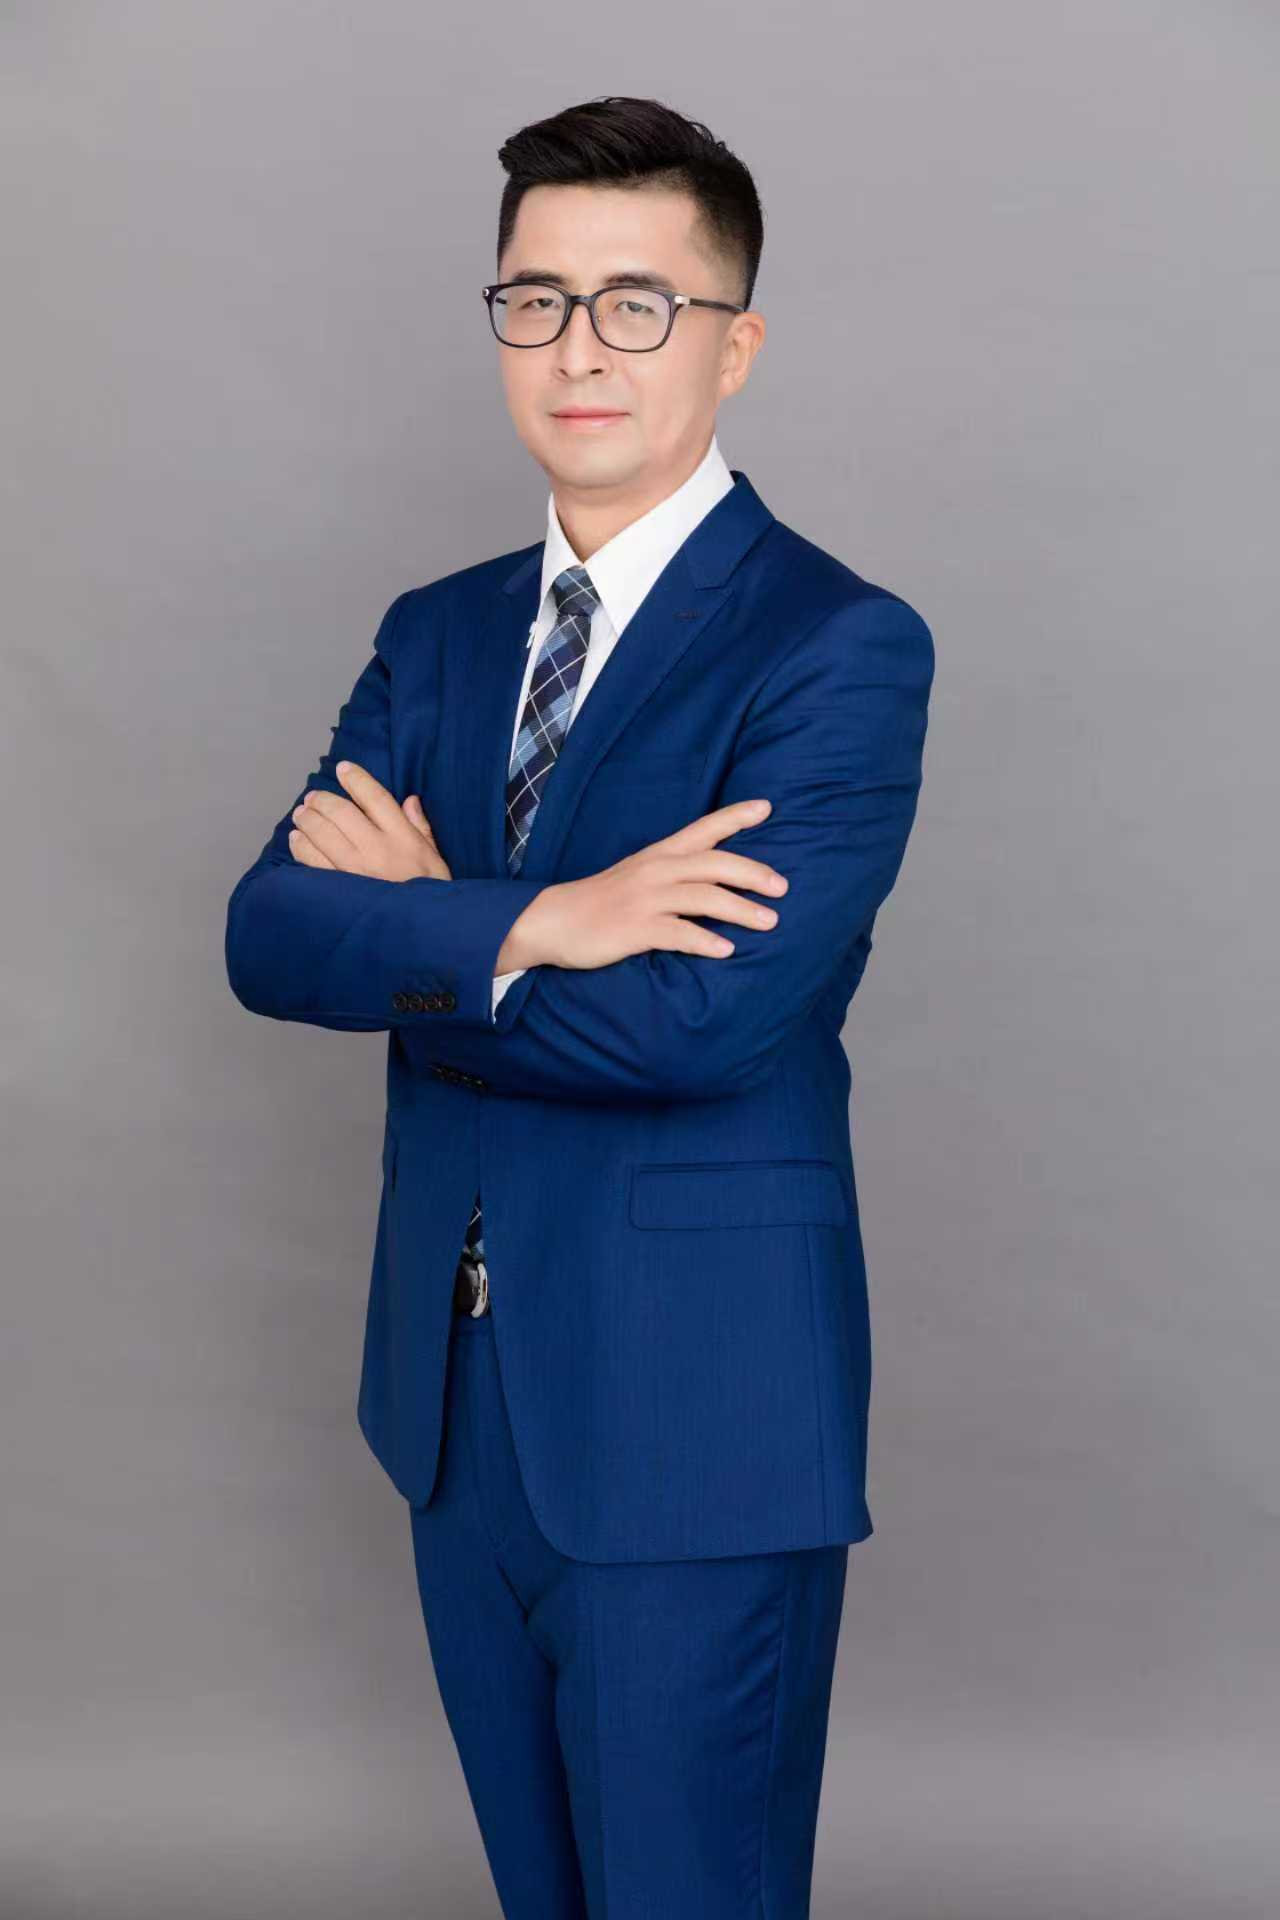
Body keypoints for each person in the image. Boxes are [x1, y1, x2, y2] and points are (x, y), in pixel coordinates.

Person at [225, 92, 934, 1920]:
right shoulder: (439, 632)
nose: (578, 349)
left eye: (638, 304)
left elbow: (697, 1028)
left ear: (734, 345)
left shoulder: (836, 646)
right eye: (534, 300)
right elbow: (267, 936)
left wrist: (422, 927)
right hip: (455, 1416)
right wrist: (553, 919)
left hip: (695, 1419)